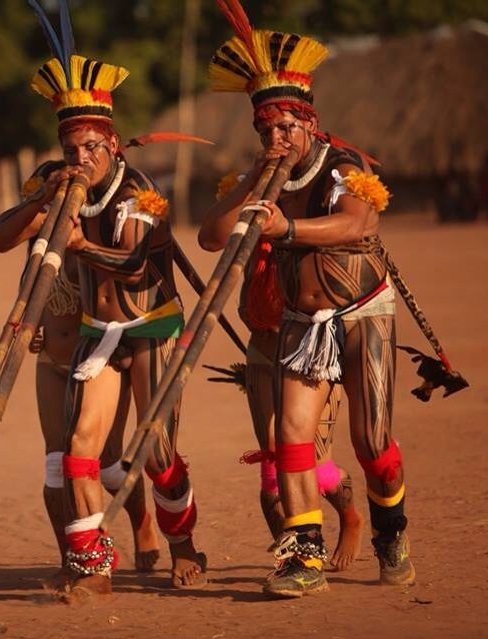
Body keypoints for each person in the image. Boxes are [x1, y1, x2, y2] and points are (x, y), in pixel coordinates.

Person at [200, 1, 414, 598]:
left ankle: (390, 530)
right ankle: (304, 557)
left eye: (285, 127)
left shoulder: (343, 164)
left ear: (309, 123)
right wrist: (248, 184)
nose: (276, 137)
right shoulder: (261, 177)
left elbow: (356, 227)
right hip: (299, 318)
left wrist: (285, 230)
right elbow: (210, 236)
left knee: (371, 442)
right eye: (266, 129)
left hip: (360, 313)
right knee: (291, 436)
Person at [19, 1, 206, 601]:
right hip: (100, 333)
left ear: (113, 143)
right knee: (79, 452)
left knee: (156, 454)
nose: (81, 160)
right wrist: (40, 205)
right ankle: (94, 564)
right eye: (72, 149)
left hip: (150, 327)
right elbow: (1, 237)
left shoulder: (141, 192)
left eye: (91, 148)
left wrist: (74, 241)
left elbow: (133, 261)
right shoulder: (57, 180)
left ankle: (184, 548)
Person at [0, 178, 161, 585]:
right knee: (55, 467)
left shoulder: (99, 230)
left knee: (109, 466)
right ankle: (78, 558)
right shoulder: (39, 225)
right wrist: (39, 201)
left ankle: (142, 522)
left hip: (98, 357)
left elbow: (123, 284)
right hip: (50, 360)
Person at [210, 174, 362, 572]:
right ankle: (294, 554)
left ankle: (350, 517)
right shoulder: (246, 195)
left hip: (309, 344)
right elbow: (211, 237)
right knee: (272, 465)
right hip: (262, 343)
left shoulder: (316, 203)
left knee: (315, 461)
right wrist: (248, 194)